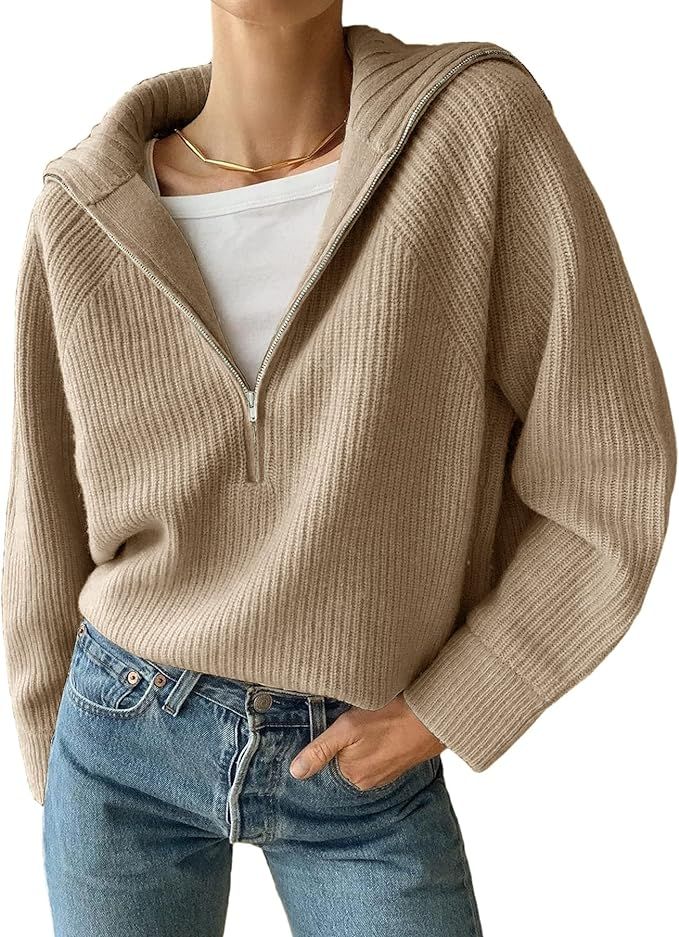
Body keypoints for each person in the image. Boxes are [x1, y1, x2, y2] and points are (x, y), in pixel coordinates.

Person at [2, 2, 675, 936]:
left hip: (361, 758)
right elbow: (40, 508)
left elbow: (610, 466)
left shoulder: (474, 130)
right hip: (121, 733)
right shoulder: (80, 209)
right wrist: (49, 748)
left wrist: (456, 702)